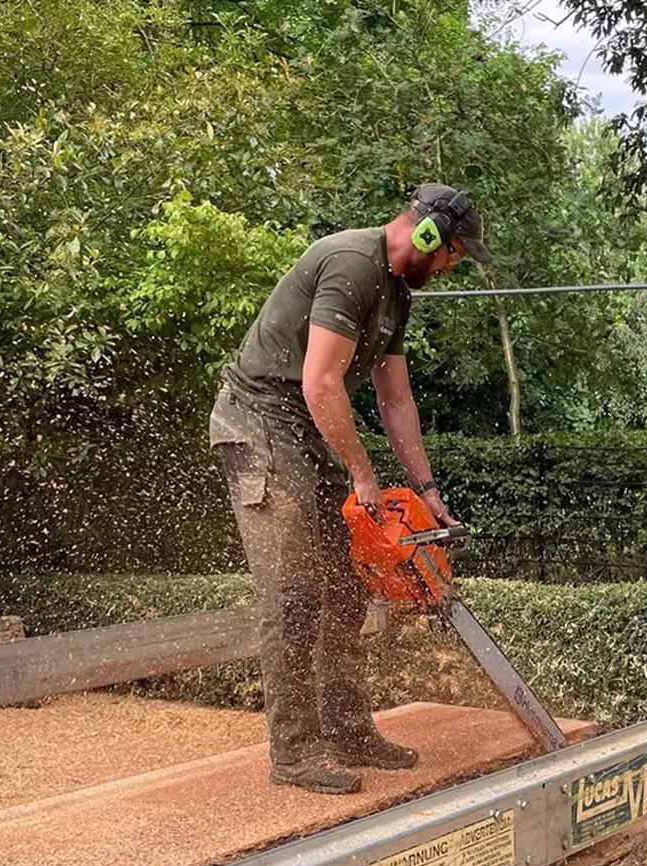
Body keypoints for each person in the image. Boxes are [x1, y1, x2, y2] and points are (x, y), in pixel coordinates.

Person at [209, 184, 493, 795]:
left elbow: (395, 399)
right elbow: (318, 383)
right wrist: (363, 474)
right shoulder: (351, 265)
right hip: (260, 421)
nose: (447, 268)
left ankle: (346, 728)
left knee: (344, 586)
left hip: (309, 428)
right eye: (451, 255)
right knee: (293, 592)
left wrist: (425, 488)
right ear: (426, 234)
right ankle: (294, 751)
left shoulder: (396, 295)